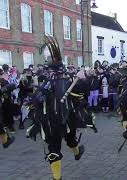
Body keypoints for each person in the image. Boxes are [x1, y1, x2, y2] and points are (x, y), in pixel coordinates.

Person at [26, 37, 95, 180]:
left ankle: (62, 171)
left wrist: (85, 77)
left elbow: (80, 92)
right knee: (64, 143)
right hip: (60, 122)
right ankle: (75, 154)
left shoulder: (54, 82)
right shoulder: (59, 82)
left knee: (56, 148)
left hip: (54, 123)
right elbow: (81, 93)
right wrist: (85, 78)